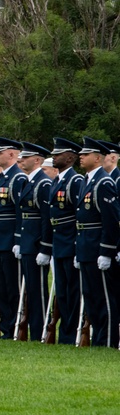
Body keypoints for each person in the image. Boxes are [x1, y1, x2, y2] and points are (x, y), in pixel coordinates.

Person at [75, 137, 120, 347]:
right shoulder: (87, 180)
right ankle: (98, 338)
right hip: (85, 245)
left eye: (85, 154)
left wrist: (106, 251)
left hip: (97, 247)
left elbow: (111, 219)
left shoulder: (104, 182)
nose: (81, 157)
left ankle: (108, 340)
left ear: (97, 157)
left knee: (105, 299)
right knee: (91, 297)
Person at [45, 138, 83, 345]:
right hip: (59, 240)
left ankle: (71, 331)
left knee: (72, 290)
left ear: (69, 158)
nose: (53, 157)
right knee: (62, 289)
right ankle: (65, 332)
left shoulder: (75, 181)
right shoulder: (58, 180)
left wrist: (77, 245)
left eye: (57, 154)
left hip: (70, 241)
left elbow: (79, 215)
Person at [0, 137, 27, 339]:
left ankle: (13, 325)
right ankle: (5, 324)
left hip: (9, 240)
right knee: (2, 287)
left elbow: (21, 211)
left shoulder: (18, 178)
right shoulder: (3, 178)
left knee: (12, 286)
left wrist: (18, 240)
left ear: (12, 154)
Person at [16, 142, 53, 340]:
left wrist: (45, 247)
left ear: (37, 160)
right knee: (30, 288)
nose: (21, 160)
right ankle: (33, 328)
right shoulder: (28, 182)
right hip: (28, 242)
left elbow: (46, 218)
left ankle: (40, 331)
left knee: (38, 290)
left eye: (26, 157)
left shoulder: (43, 183)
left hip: (37, 242)